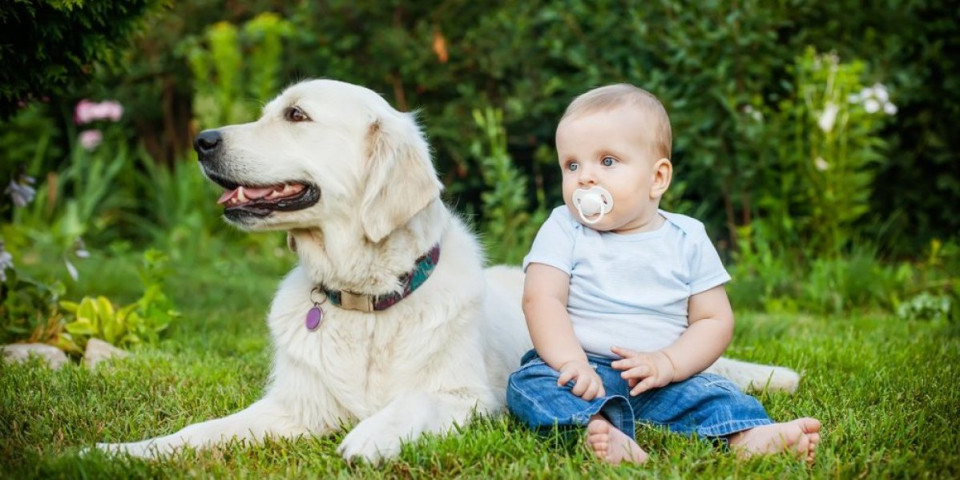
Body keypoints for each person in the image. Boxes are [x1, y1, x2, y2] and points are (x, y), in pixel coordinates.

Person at [506, 84, 821, 465]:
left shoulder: (687, 237)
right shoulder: (563, 227)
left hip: (662, 377)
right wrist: (571, 362)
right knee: (529, 384)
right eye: (572, 165)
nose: (585, 177)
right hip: (583, 368)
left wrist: (669, 364)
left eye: (607, 161)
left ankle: (748, 435)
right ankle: (596, 427)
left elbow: (713, 319)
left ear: (657, 177)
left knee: (713, 392)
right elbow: (541, 299)